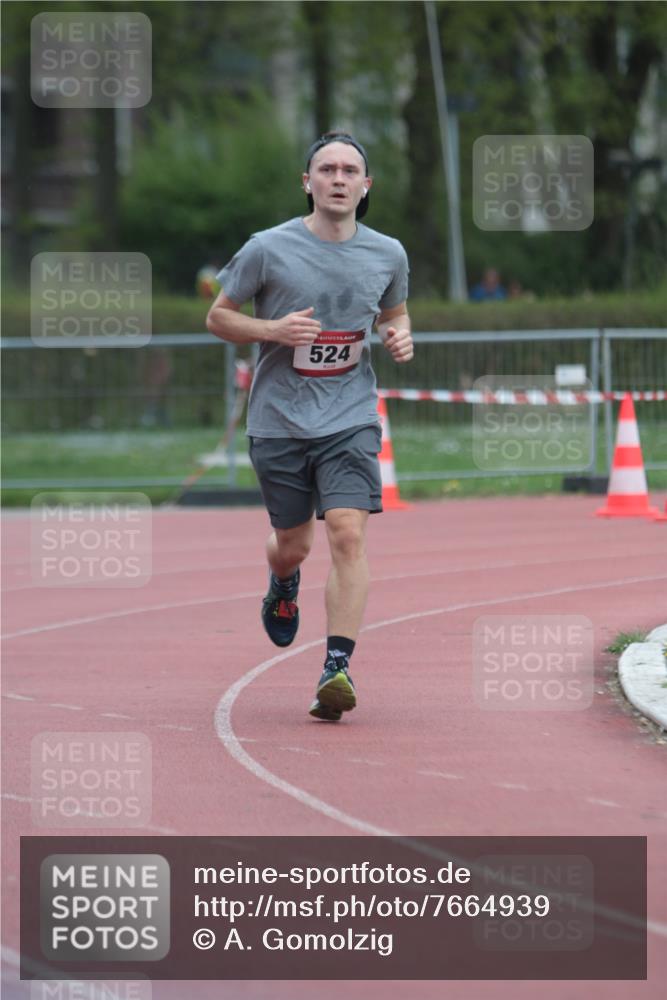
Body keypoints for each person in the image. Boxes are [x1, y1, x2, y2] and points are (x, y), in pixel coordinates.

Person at [206, 130, 413, 722]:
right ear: (308, 182)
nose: (340, 179)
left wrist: (401, 335)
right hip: (279, 420)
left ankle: (336, 667)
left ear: (366, 185)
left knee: (347, 531)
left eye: (351, 170)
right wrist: (274, 331)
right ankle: (282, 582)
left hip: (349, 415)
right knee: (293, 546)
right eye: (328, 169)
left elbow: (395, 314)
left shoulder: (388, 253)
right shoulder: (266, 249)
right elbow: (218, 317)